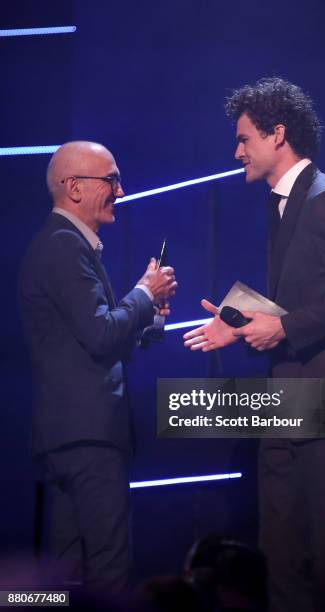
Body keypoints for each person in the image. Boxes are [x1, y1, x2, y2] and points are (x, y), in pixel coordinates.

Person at [184, 78, 325, 611]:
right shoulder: (284, 202)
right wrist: (241, 321)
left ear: (278, 135)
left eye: (244, 139)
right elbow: (307, 299)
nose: (236, 152)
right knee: (282, 555)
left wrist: (285, 327)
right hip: (290, 402)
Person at [19, 141, 177, 593]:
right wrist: (144, 294)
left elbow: (90, 340)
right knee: (107, 572)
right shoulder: (63, 247)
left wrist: (153, 313)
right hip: (88, 437)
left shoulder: (62, 245)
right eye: (111, 180)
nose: (121, 191)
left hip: (69, 437)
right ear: (73, 187)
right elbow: (101, 334)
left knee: (64, 578)